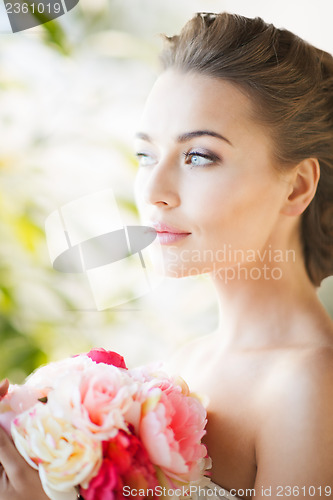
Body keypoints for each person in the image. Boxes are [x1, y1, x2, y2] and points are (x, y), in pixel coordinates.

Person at [0, 11, 332, 500]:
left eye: (198, 155)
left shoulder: (312, 387)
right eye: (145, 156)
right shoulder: (186, 363)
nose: (154, 191)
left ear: (297, 186)